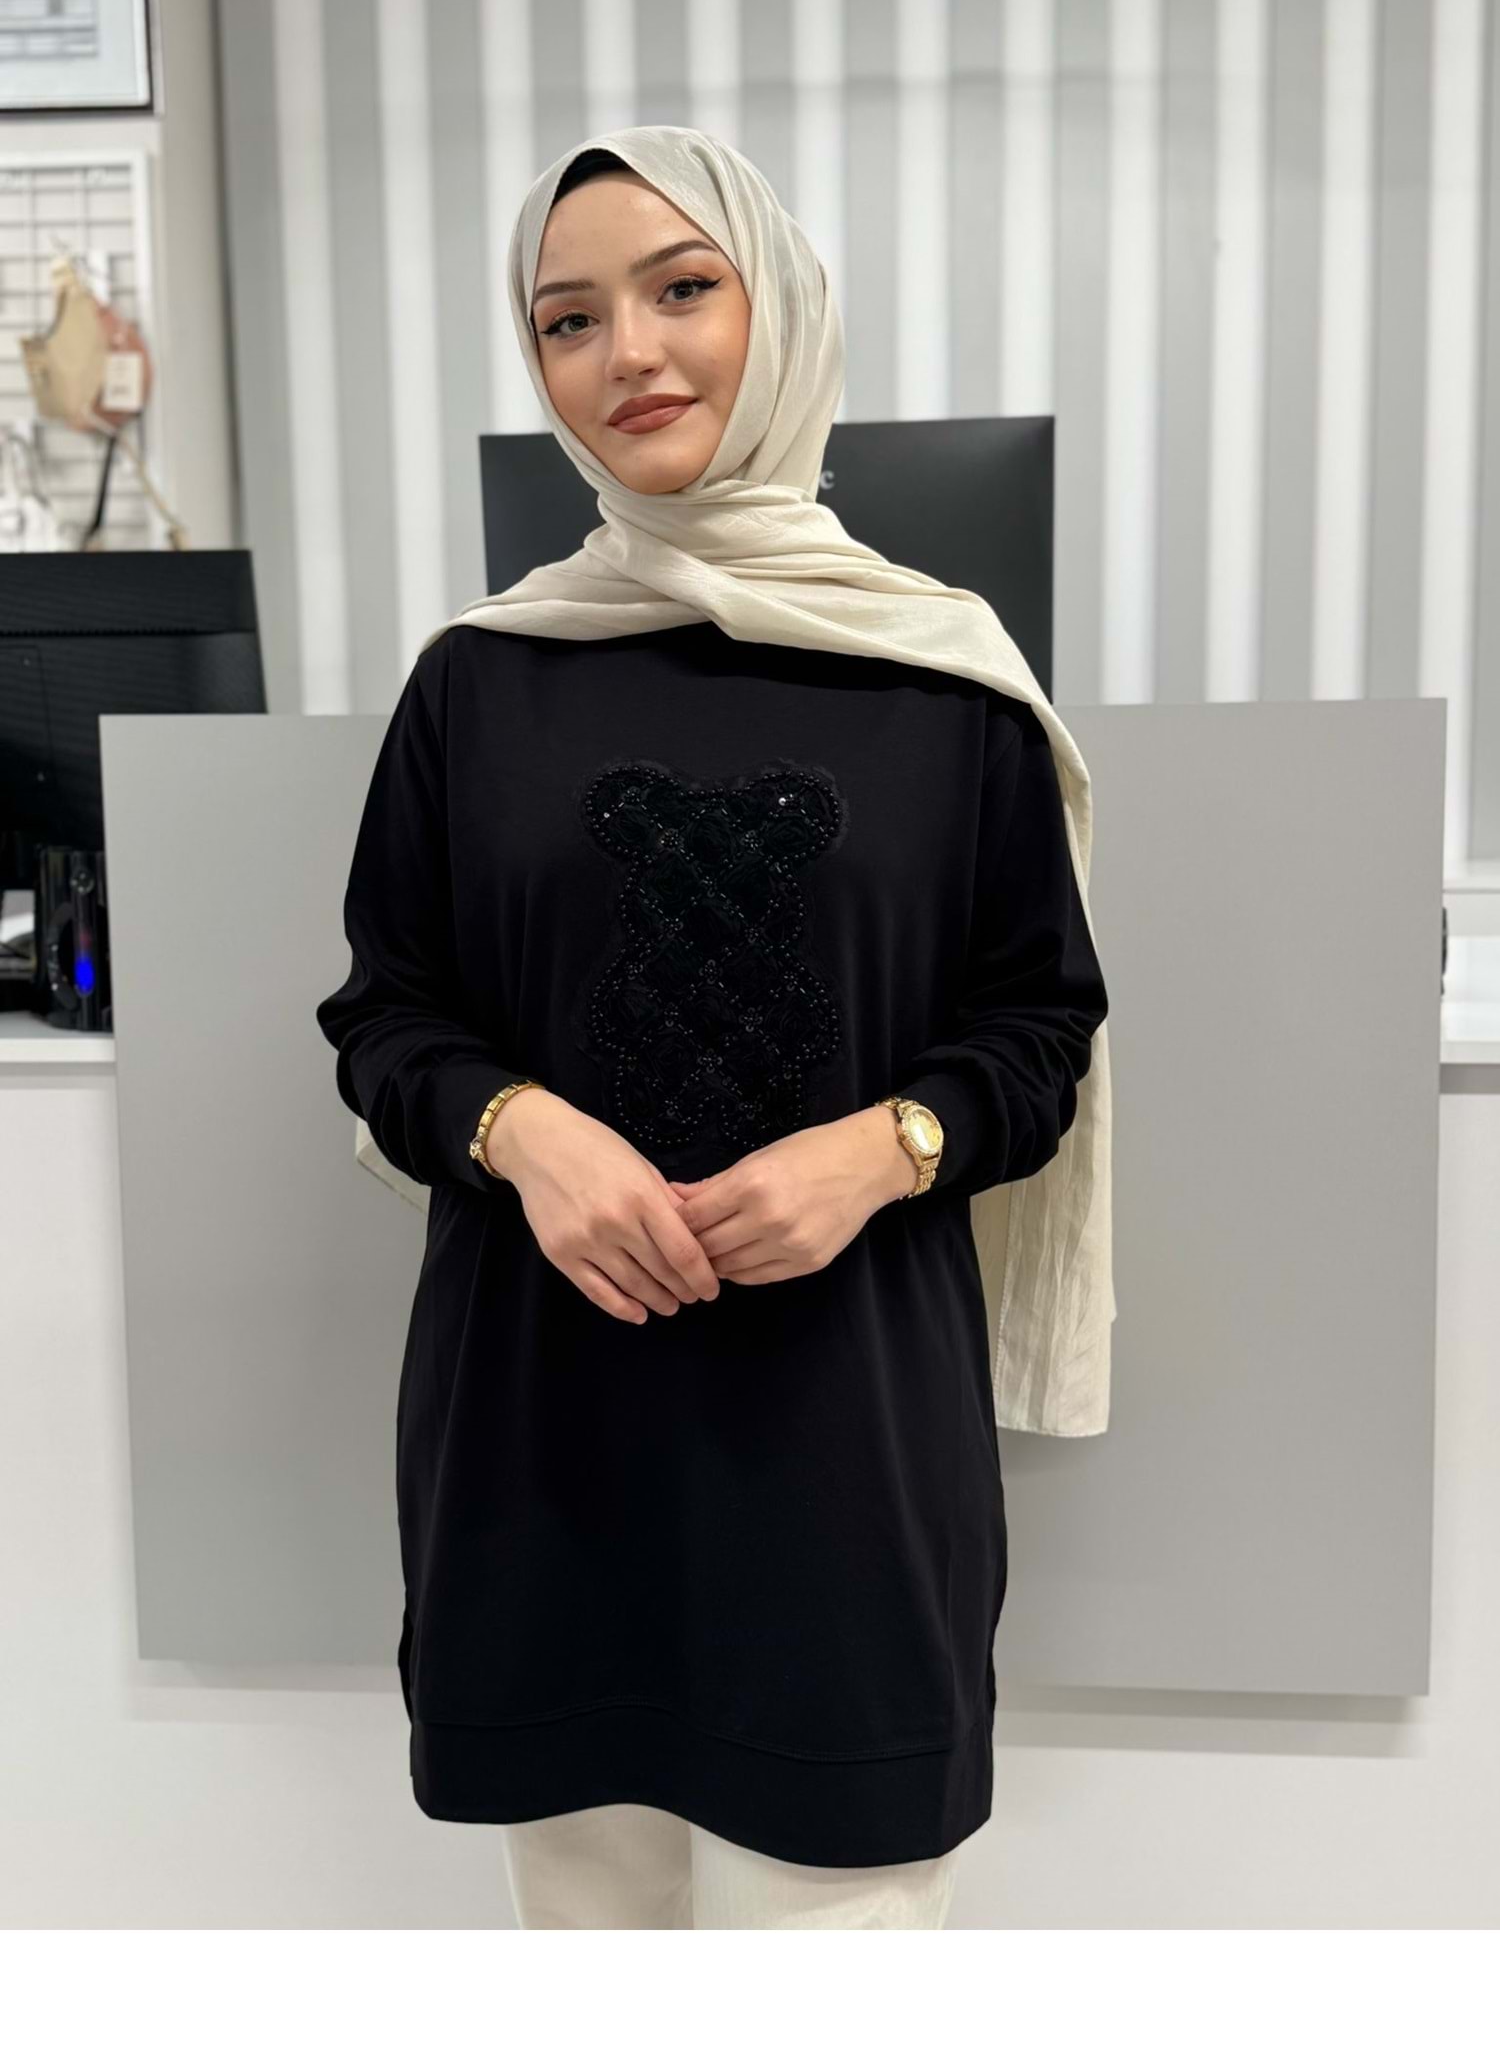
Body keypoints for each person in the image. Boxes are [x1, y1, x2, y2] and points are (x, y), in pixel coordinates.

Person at [315, 125, 1111, 1930]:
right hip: (541, 1446)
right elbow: (388, 1010)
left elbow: (1038, 1027)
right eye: (568, 317)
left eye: (684, 288)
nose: (631, 352)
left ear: (786, 311)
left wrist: (887, 1148)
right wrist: (522, 1130)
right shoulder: (477, 682)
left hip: (843, 1454)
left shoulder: (942, 677)